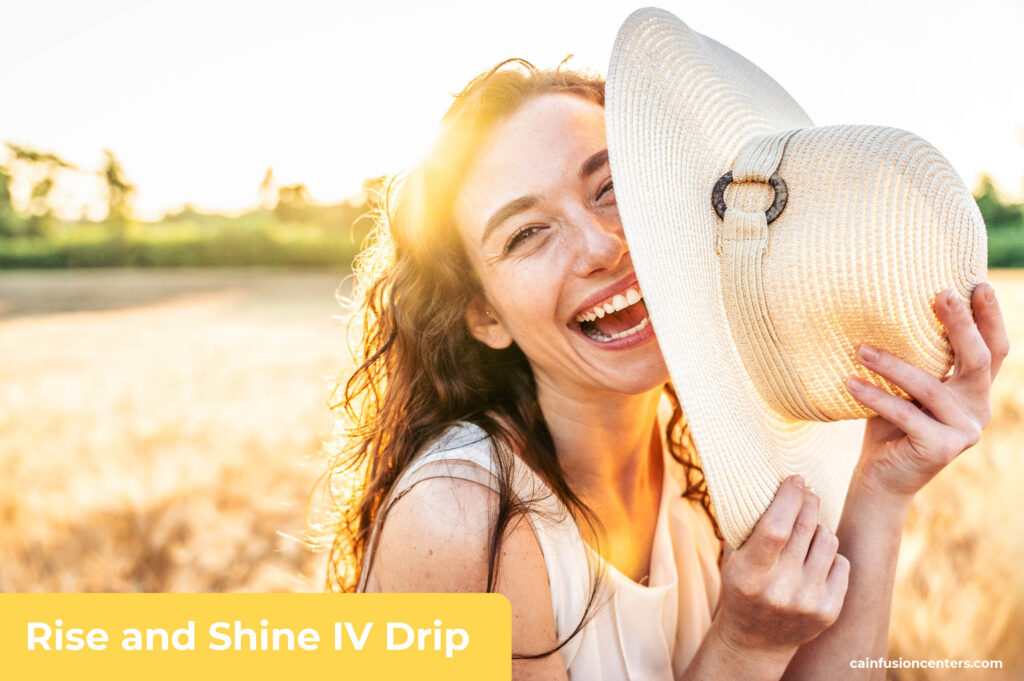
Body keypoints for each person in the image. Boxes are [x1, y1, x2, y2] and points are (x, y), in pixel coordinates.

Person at [320, 58, 1008, 680]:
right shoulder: (460, 516)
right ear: (484, 314)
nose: (601, 246)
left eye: (611, 188)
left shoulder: (717, 459)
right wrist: (743, 647)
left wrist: (882, 489)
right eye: (526, 233)